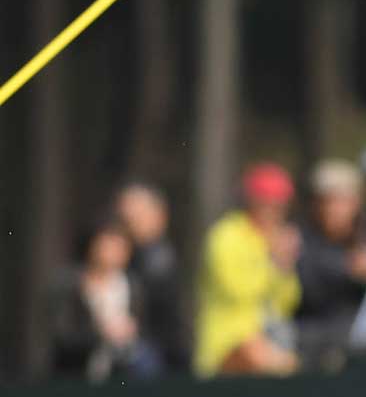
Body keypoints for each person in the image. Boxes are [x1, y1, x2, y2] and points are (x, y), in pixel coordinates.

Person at [194, 163, 301, 377]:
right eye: (268, 204)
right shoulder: (226, 235)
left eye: (279, 206)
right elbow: (237, 291)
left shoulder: (274, 238)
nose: (274, 212)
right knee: (264, 358)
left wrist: (285, 267)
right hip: (225, 345)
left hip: (270, 340)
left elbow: (288, 302)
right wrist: (272, 263)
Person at [48, 219, 168, 382]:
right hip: (75, 374)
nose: (114, 252)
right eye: (108, 245)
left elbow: (145, 331)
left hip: (122, 374)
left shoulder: (133, 286)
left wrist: (130, 333)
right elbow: (62, 336)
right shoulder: (69, 285)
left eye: (121, 246)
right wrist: (101, 333)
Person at [295, 160, 366, 370]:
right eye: (327, 201)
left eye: (342, 201)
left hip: (365, 340)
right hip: (312, 339)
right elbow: (308, 289)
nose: (333, 210)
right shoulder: (299, 240)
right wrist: (348, 268)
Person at [114, 182, 187, 370]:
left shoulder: (159, 260)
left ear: (159, 216)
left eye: (136, 217)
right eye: (124, 219)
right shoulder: (125, 258)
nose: (129, 225)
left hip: (161, 358)